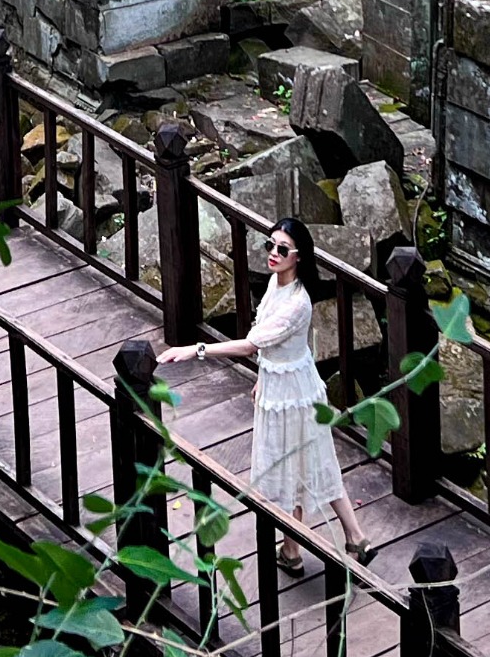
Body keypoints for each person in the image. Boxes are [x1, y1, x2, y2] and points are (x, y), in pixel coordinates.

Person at [158, 216, 370, 567]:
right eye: (269, 245)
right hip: (283, 383)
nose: (273, 253)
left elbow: (252, 344)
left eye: (282, 249)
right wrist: (263, 379)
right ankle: (344, 539)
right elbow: (273, 345)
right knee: (308, 460)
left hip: (294, 394)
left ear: (298, 256)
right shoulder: (277, 283)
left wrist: (195, 350)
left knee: (300, 464)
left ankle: (298, 548)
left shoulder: (298, 304)